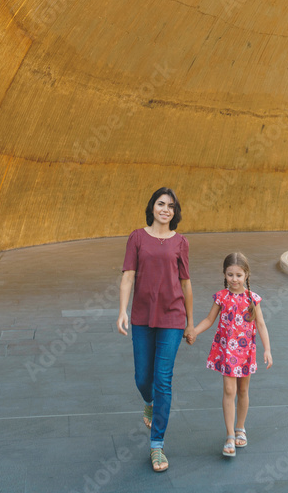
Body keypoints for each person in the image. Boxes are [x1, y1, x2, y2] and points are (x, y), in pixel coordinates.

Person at [117, 187, 194, 473]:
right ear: (152, 207)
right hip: (141, 316)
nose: (165, 209)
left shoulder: (181, 242)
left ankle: (157, 444)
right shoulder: (137, 237)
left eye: (171, 206)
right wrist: (122, 310)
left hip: (173, 317)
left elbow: (186, 283)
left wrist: (189, 322)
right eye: (161, 204)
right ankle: (148, 402)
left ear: (175, 212)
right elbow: (128, 276)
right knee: (142, 378)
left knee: (163, 379)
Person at [185, 251, 272, 457]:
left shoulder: (253, 299)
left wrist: (267, 349)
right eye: (230, 274)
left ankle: (240, 428)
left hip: (245, 352)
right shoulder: (221, 297)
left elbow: (261, 324)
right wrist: (193, 331)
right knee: (229, 390)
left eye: (239, 275)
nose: (234, 279)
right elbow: (209, 320)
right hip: (226, 351)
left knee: (243, 391)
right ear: (224, 274)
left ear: (247, 275)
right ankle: (230, 435)